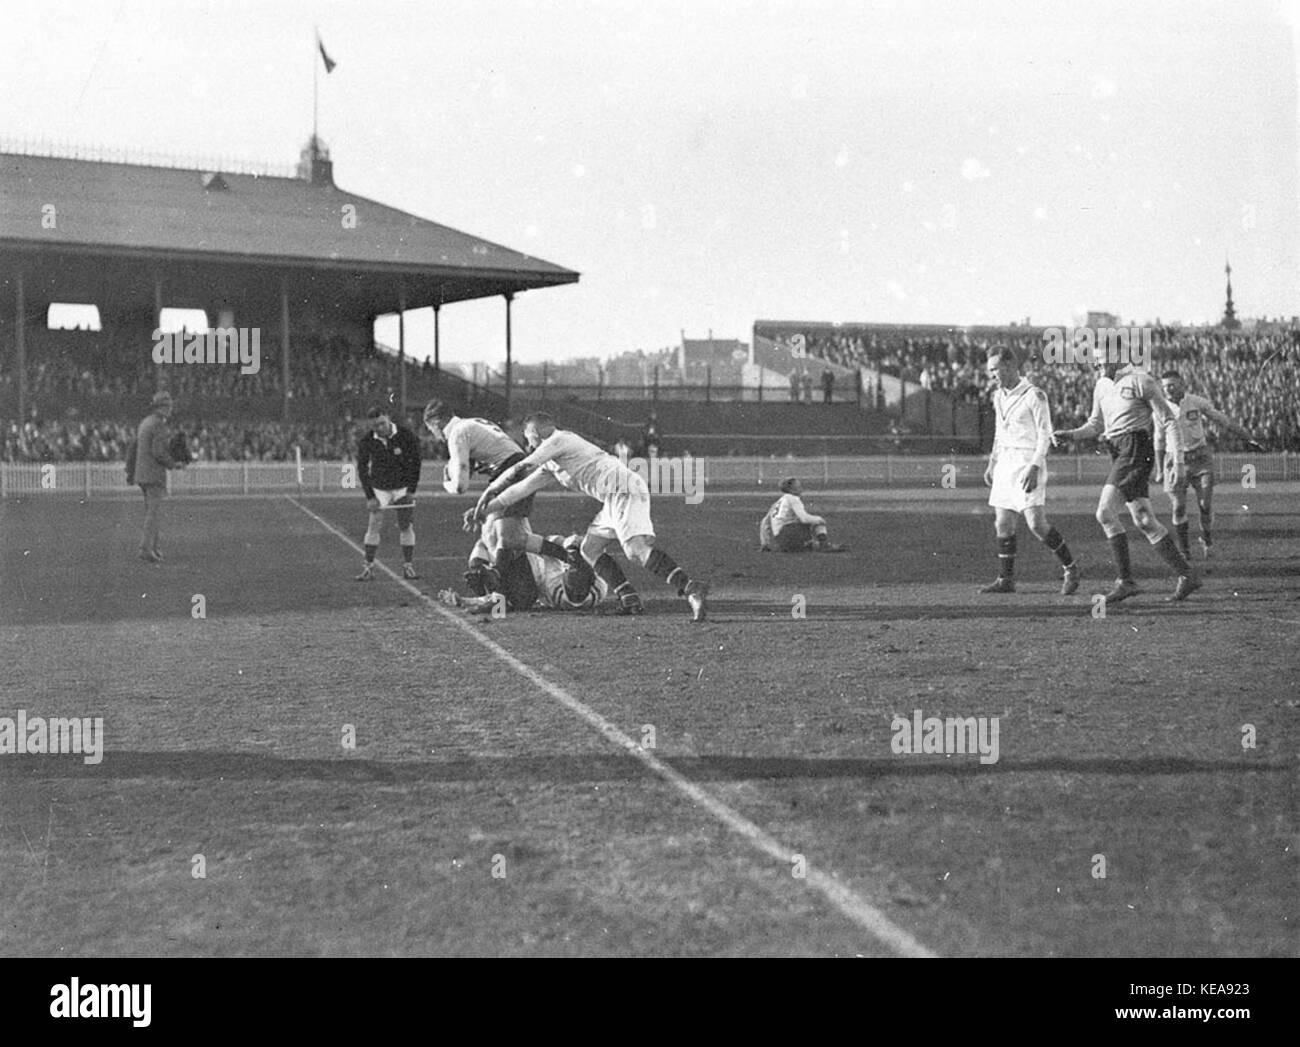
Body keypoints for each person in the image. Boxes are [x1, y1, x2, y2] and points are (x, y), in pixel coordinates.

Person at [467, 412, 709, 621]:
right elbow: (519, 490)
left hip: (622, 489)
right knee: (590, 549)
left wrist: (487, 492)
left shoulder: (559, 440)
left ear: (535, 431)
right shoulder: (553, 461)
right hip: (614, 496)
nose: (527, 444)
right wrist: (482, 510)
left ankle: (690, 588)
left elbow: (519, 468)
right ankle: (629, 599)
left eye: (528, 438)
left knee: (636, 550)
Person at [1054, 352, 1199, 604]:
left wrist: (1178, 461)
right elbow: (1095, 424)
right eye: (1094, 359)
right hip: (1117, 449)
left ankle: (1125, 581)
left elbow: (1170, 422)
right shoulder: (1101, 385)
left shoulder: (1141, 380)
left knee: (1104, 513)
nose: (1096, 363)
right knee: (1144, 520)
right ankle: (1187, 575)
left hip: (1136, 448)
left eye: (1101, 358)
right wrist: (1070, 434)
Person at [423, 400, 573, 595]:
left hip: (510, 472)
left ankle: (568, 558)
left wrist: (447, 483)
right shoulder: (469, 424)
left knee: (506, 537)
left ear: (436, 423)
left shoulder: (457, 433)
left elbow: (460, 486)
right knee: (504, 537)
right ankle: (497, 584)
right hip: (512, 469)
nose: (434, 436)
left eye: (431, 430)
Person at [979, 346, 1080, 594]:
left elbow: (1045, 434)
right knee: (1003, 524)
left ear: (1011, 366)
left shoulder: (1034, 395)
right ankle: (1006, 579)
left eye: (995, 369)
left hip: (1027, 462)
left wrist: (1035, 466)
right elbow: (999, 433)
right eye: (990, 369)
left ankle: (1071, 567)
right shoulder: (998, 396)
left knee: (1036, 523)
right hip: (1005, 462)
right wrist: (993, 462)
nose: (992, 374)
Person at [1154, 371, 1261, 560]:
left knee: (1205, 505)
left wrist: (1247, 437)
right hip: (1174, 460)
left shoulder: (1195, 402)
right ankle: (1185, 551)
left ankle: (1207, 539)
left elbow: (1221, 419)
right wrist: (1160, 468)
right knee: (1178, 507)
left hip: (1200, 458)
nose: (1168, 389)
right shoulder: (1160, 408)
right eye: (1164, 386)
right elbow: (1159, 440)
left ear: (1181, 384)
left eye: (1171, 385)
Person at [438, 533, 608, 614]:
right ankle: (490, 582)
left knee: (503, 542)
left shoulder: (553, 588)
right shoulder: (599, 586)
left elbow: (538, 544)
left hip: (531, 579)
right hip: (531, 575)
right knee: (501, 543)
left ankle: (485, 577)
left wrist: (468, 600)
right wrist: (570, 544)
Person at [354, 406, 423, 580]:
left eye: (382, 424)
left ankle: (408, 567)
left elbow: (416, 463)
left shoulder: (406, 435)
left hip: (402, 488)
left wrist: (412, 490)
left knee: (406, 525)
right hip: (379, 488)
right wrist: (370, 496)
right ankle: (368, 568)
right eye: (375, 426)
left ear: (388, 419)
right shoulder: (367, 441)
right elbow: (362, 469)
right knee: (374, 524)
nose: (379, 428)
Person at [132, 390, 188, 563]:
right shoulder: (159, 425)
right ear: (162, 408)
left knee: (151, 512)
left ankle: (153, 548)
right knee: (153, 514)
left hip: (141, 472)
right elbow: (158, 452)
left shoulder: (145, 422)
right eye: (168, 406)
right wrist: (173, 464)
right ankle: (146, 548)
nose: (170, 409)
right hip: (154, 474)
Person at [759, 477, 846, 552]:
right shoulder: (793, 498)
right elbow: (804, 518)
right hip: (790, 534)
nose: (801, 488)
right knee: (816, 522)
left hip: (781, 542)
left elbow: (764, 523)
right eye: (798, 486)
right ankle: (824, 545)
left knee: (802, 528)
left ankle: (812, 544)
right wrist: (819, 519)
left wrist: (765, 544)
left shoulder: (778, 502)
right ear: (791, 489)